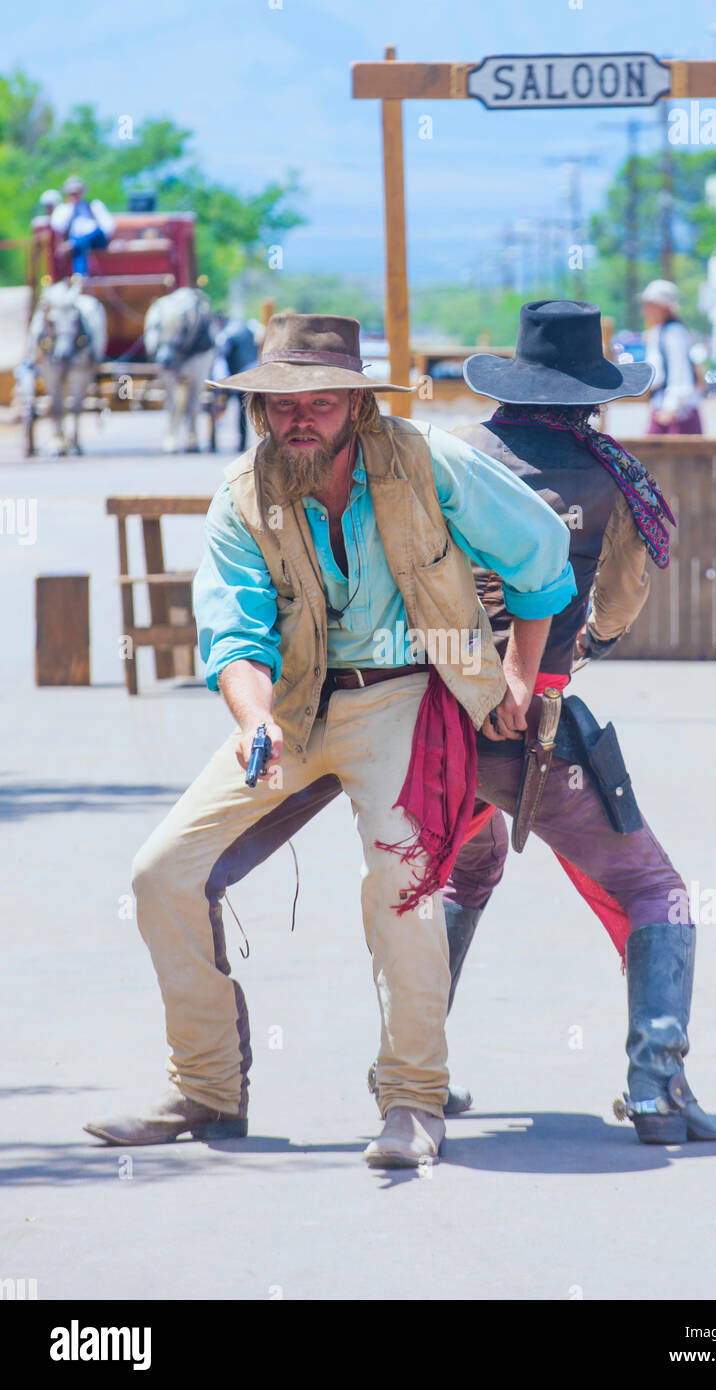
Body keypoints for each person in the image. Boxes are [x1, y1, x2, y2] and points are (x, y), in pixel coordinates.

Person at [232, 302, 716, 1146]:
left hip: (424, 710)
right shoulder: (615, 475)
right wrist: (562, 664)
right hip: (531, 715)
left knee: (458, 876)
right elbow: (616, 604)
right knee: (655, 891)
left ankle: (413, 1073)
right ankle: (659, 1089)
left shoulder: (450, 454)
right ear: (593, 394)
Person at [83, 312, 575, 1168]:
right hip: (295, 708)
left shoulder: (424, 461)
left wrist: (523, 679)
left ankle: (413, 1099)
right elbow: (234, 636)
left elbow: (543, 554)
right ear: (260, 412)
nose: (299, 416)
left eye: (318, 399)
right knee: (161, 872)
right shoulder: (242, 496)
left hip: (407, 696)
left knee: (402, 879)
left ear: (356, 402)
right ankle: (204, 1088)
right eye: (281, 403)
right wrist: (255, 720)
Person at [641, 279, 704, 435]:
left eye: (650, 305)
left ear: (663, 307)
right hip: (663, 408)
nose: (645, 311)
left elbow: (680, 372)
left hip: (675, 414)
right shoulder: (660, 332)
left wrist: (671, 407)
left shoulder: (674, 333)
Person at [50, 175, 115, 277]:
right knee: (81, 246)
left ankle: (73, 247)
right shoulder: (63, 209)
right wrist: (71, 207)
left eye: (77, 192)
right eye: (72, 193)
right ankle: (81, 277)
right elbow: (59, 226)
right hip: (76, 240)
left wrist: (74, 243)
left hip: (97, 239)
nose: (75, 195)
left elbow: (108, 227)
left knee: (86, 239)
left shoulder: (94, 205)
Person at [213, 316, 259, 450]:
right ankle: (245, 443)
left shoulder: (226, 334)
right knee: (245, 410)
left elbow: (221, 360)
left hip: (235, 375)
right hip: (251, 373)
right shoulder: (250, 329)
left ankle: (239, 443)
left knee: (233, 409)